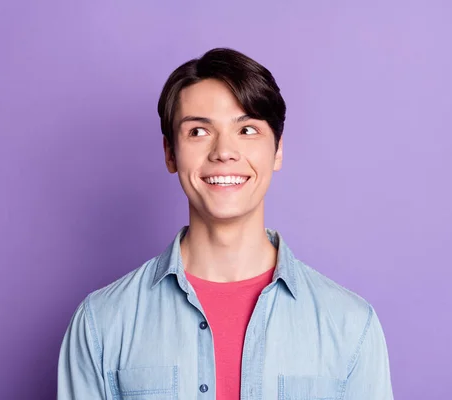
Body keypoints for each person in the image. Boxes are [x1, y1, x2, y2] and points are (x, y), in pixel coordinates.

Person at [57, 48, 394, 399]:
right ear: (170, 153)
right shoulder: (101, 323)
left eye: (247, 129)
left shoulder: (351, 325)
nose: (224, 152)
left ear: (277, 150)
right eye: (199, 131)